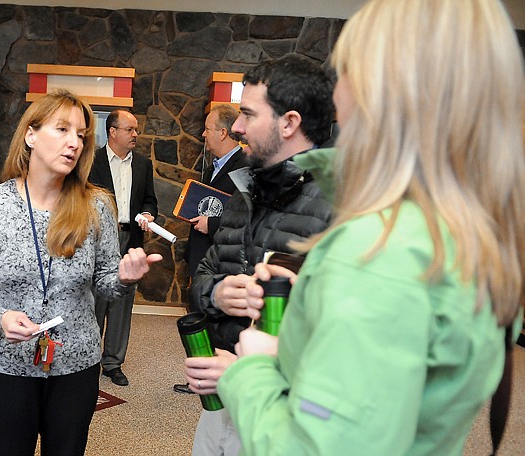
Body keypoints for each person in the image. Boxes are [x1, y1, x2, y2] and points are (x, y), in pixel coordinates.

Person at [191, 0, 525, 455]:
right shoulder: (455, 232)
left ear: (380, 90)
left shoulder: (378, 251)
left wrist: (250, 372)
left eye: (345, 70)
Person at [0, 89, 162, 456]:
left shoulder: (97, 205)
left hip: (76, 365)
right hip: (6, 363)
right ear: (31, 135)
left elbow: (105, 283)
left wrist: (126, 279)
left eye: (81, 135)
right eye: (62, 130)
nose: (74, 143)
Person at [185, 53, 336, 455]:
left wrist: (245, 373)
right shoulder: (243, 196)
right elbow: (200, 279)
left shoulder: (339, 209)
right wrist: (217, 294)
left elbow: (343, 347)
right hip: (220, 404)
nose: (235, 127)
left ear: (289, 123)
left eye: (248, 115)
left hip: (288, 415)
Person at [174, 104, 250, 395]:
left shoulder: (243, 167)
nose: (202, 134)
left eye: (207, 128)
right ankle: (203, 374)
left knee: (213, 322)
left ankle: (212, 377)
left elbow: (246, 218)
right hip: (203, 255)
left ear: (222, 131)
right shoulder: (213, 166)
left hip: (222, 259)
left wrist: (213, 223)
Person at [89, 108, 158, 386]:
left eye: (136, 129)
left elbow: (150, 200)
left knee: (121, 303)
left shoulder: (142, 164)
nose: (135, 135)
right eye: (130, 129)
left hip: (130, 240)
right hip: (97, 240)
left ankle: (113, 363)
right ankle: (89, 360)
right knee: (94, 301)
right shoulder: (91, 161)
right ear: (113, 132)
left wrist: (149, 214)